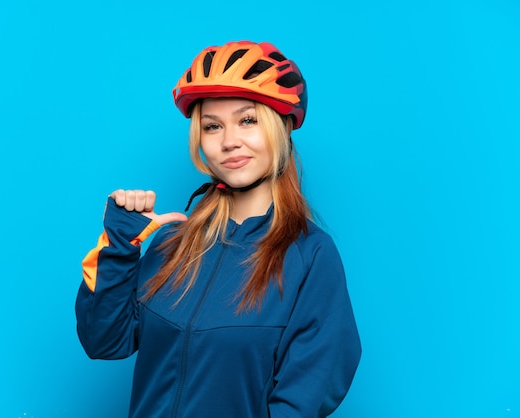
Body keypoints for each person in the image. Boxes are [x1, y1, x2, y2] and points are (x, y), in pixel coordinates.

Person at [75, 40, 361, 418]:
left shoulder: (311, 256)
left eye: (247, 120)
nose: (229, 141)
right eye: (212, 126)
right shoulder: (172, 244)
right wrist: (120, 245)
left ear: (281, 128)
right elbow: (104, 341)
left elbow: (307, 395)